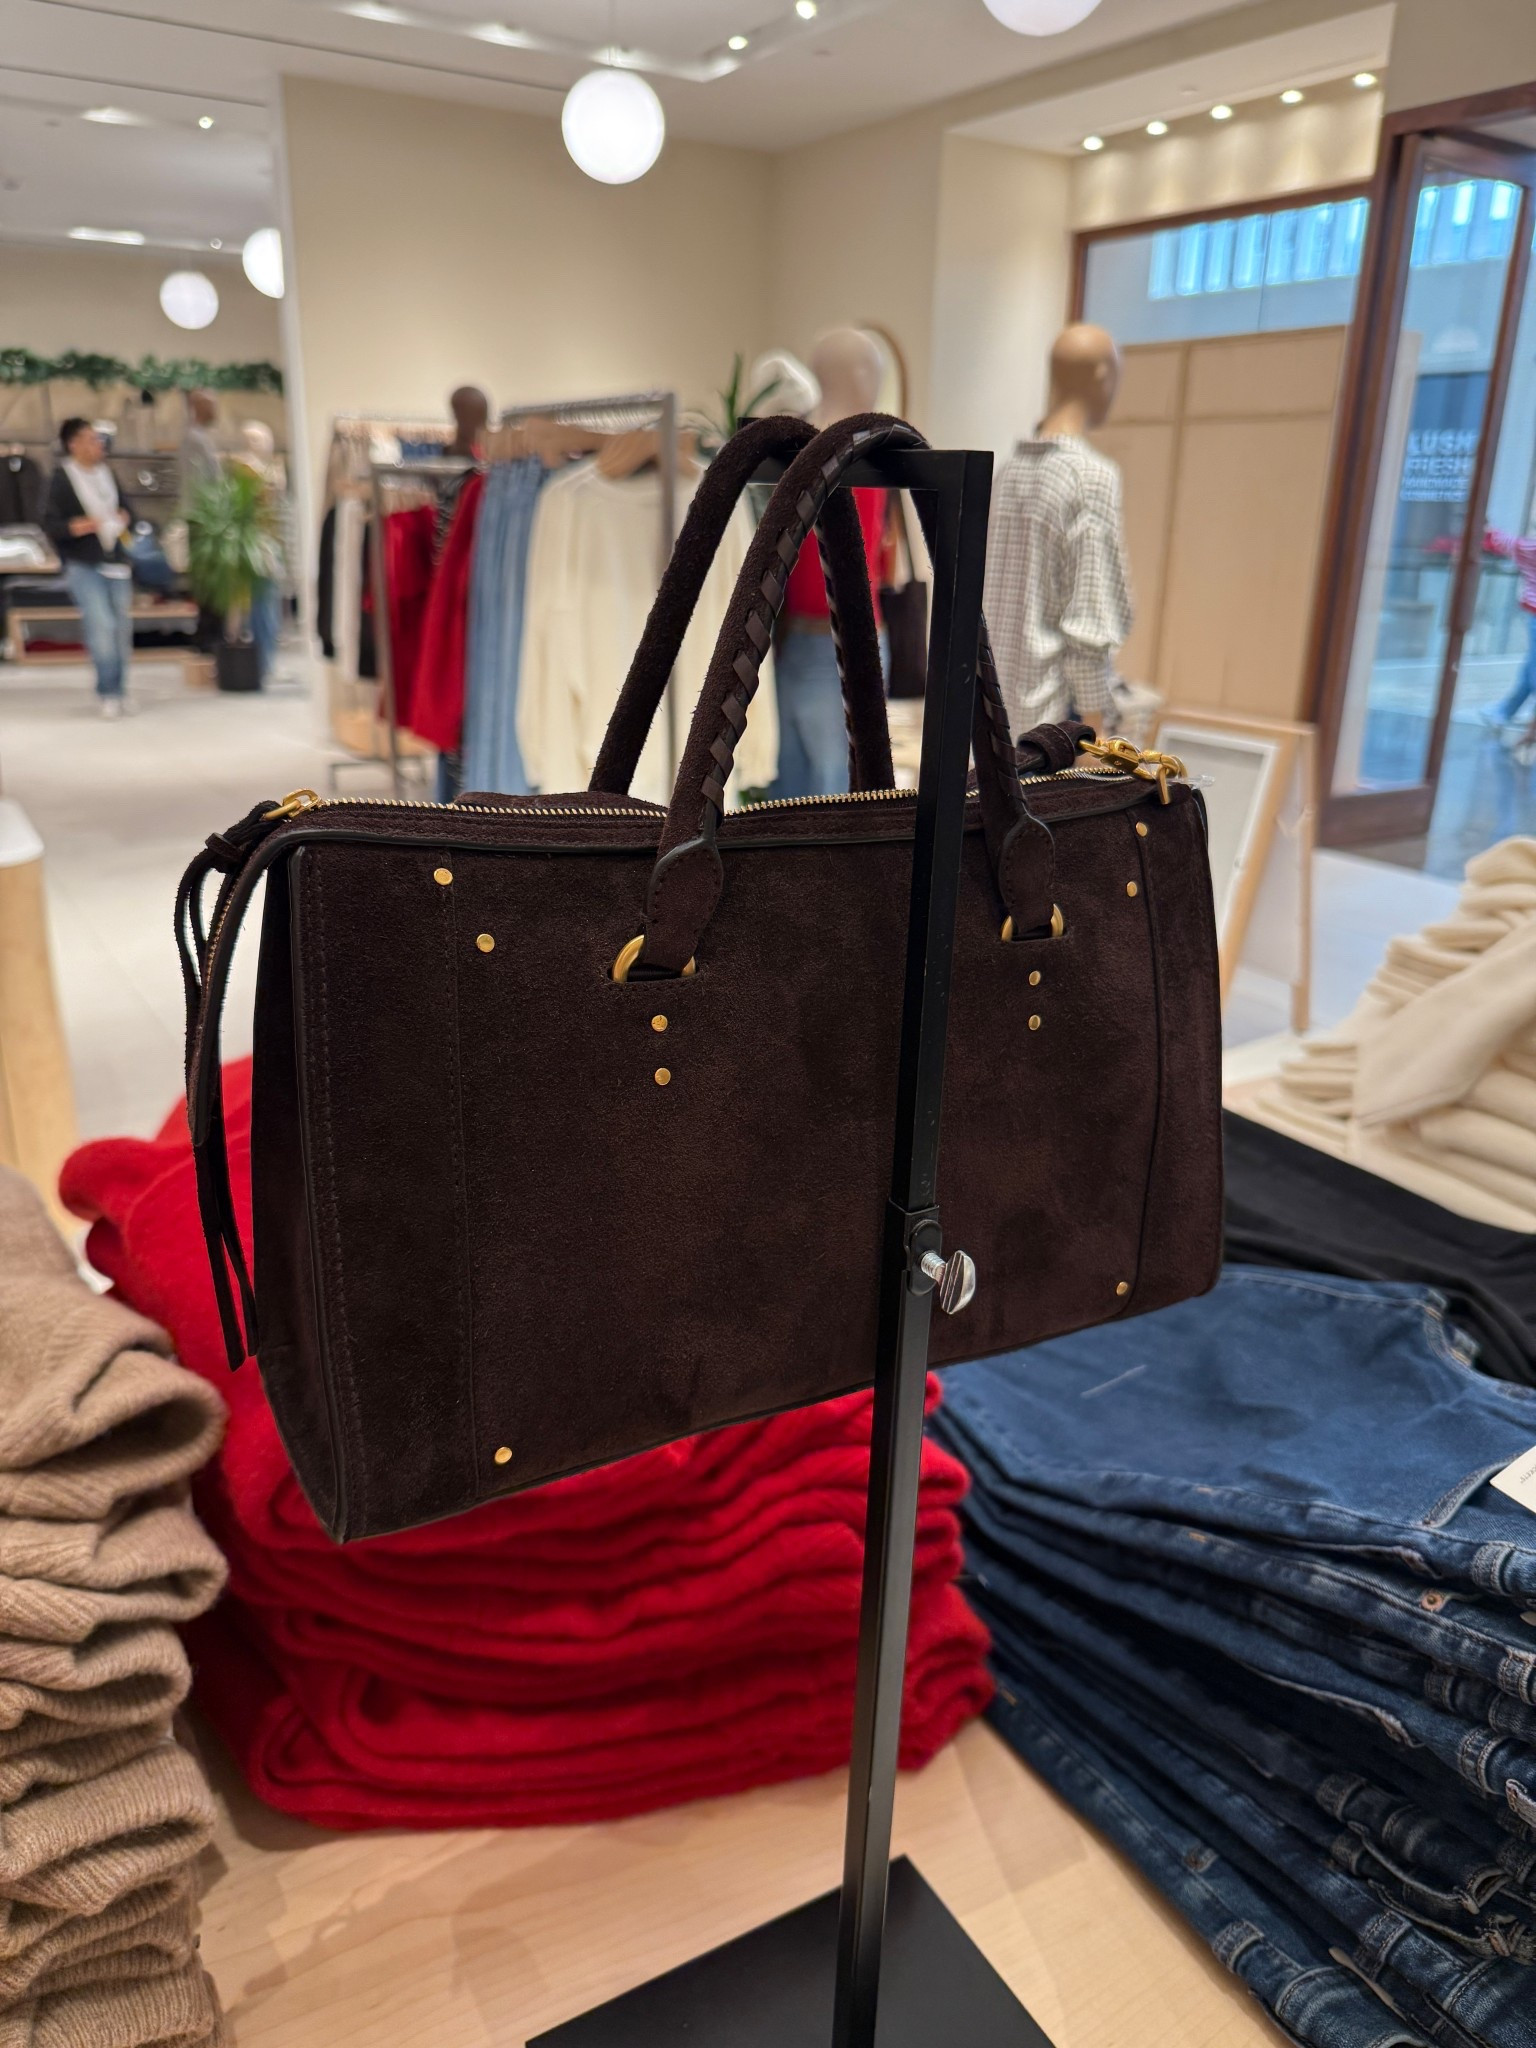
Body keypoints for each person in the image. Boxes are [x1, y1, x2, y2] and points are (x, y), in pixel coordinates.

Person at [984, 322, 1131, 740]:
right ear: (1103, 376)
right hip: (1050, 728)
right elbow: (1089, 620)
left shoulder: (1006, 473)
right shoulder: (1090, 477)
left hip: (989, 716)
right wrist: (1096, 735)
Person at [42, 418, 135, 719]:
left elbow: (128, 510)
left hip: (116, 560)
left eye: (99, 439)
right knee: (101, 628)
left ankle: (120, 690)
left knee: (121, 629)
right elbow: (50, 523)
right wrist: (77, 527)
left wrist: (124, 516)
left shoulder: (108, 475)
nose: (98, 445)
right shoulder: (62, 478)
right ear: (74, 443)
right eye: (91, 439)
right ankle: (107, 691)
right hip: (84, 563)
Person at [1479, 521, 1536, 735]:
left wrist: (1489, 530)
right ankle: (1504, 712)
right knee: (1531, 667)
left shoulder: (1530, 548)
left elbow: (1505, 543)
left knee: (1532, 670)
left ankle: (1505, 712)